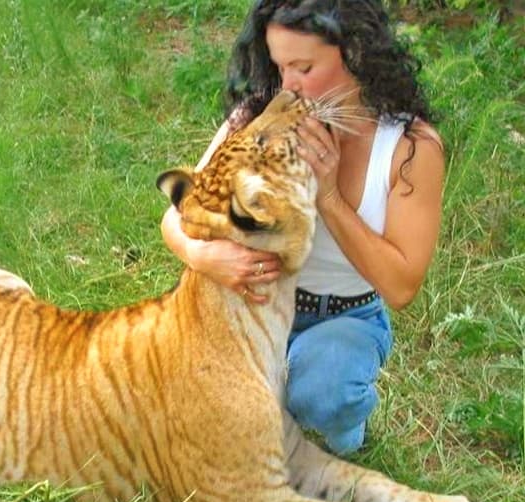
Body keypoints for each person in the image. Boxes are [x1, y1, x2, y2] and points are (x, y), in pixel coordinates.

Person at [161, 0, 444, 454]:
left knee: (321, 394)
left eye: (303, 67)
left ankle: (342, 425)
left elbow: (401, 286)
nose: (287, 88)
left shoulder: (410, 148)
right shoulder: (261, 115)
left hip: (346, 313)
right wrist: (204, 256)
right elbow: (178, 216)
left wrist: (329, 198)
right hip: (260, 300)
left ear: (354, 53)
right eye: (279, 66)